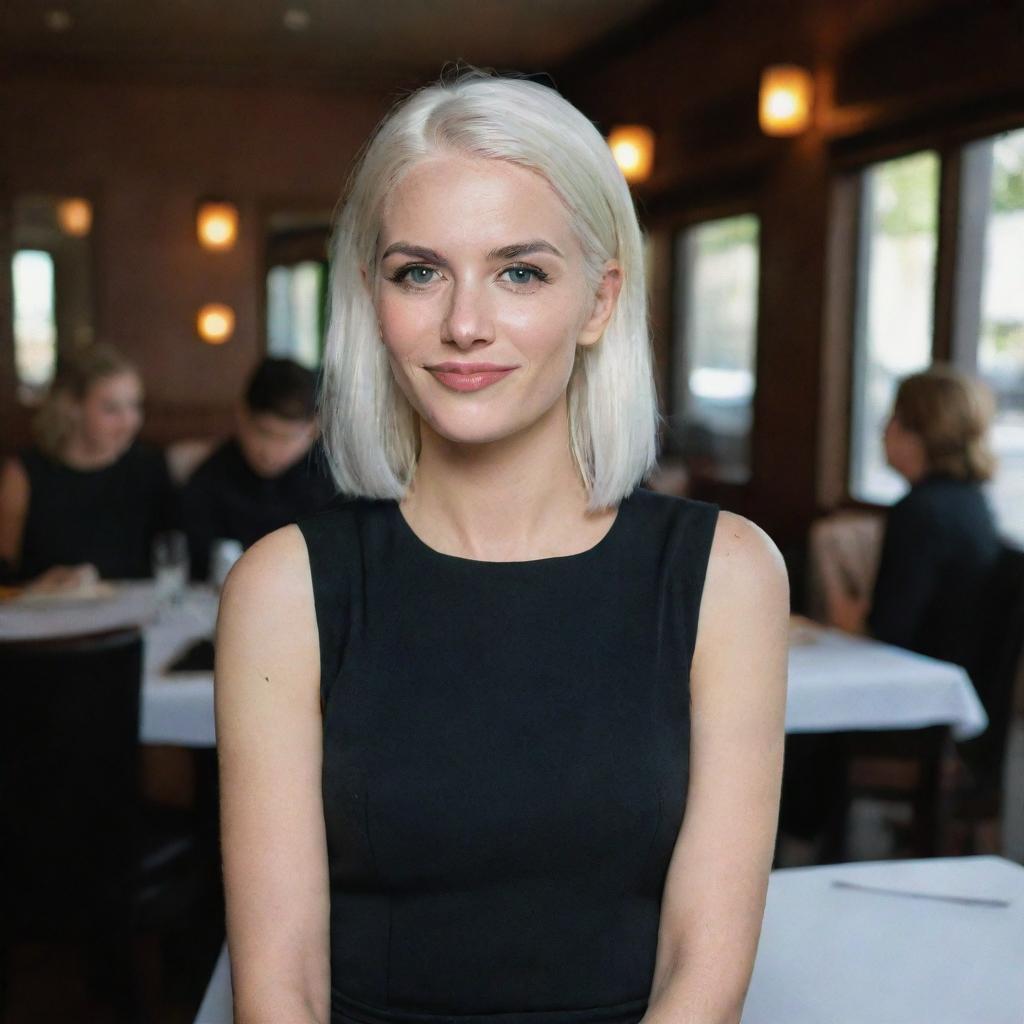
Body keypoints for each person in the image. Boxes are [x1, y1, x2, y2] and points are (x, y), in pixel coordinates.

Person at [216, 71, 788, 1024]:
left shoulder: (726, 575)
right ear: (375, 298)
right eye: (420, 271)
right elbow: (282, 987)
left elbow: (704, 971)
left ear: (600, 302)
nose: (464, 324)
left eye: (520, 271)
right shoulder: (284, 585)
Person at [829, 364, 1001, 666]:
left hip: (921, 678)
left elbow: (887, 632)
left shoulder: (919, 512)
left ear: (916, 433)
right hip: (961, 674)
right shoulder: (973, 501)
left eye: (893, 418)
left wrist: (845, 613)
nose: (884, 430)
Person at [0, 343, 177, 583]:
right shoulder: (25, 473)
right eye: (111, 409)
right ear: (72, 407)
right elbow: (4, 571)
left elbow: (169, 558)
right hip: (49, 615)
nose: (129, 422)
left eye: (135, 406)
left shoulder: (150, 466)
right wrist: (39, 585)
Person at [180, 357, 336, 581]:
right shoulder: (208, 481)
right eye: (262, 432)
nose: (269, 451)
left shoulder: (339, 483)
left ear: (314, 429)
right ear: (241, 415)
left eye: (286, 438)